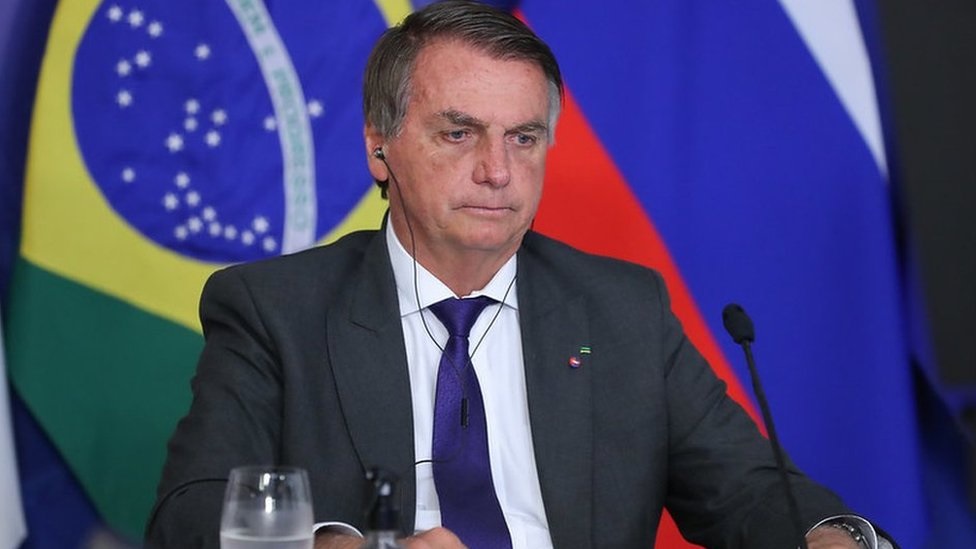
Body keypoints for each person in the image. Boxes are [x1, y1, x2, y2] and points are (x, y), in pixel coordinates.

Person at [147, 2, 896, 548]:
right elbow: (191, 514)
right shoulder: (276, 310)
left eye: (524, 137)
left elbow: (750, 492)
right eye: (459, 132)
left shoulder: (622, 309)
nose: (498, 171)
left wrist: (834, 537)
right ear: (380, 148)